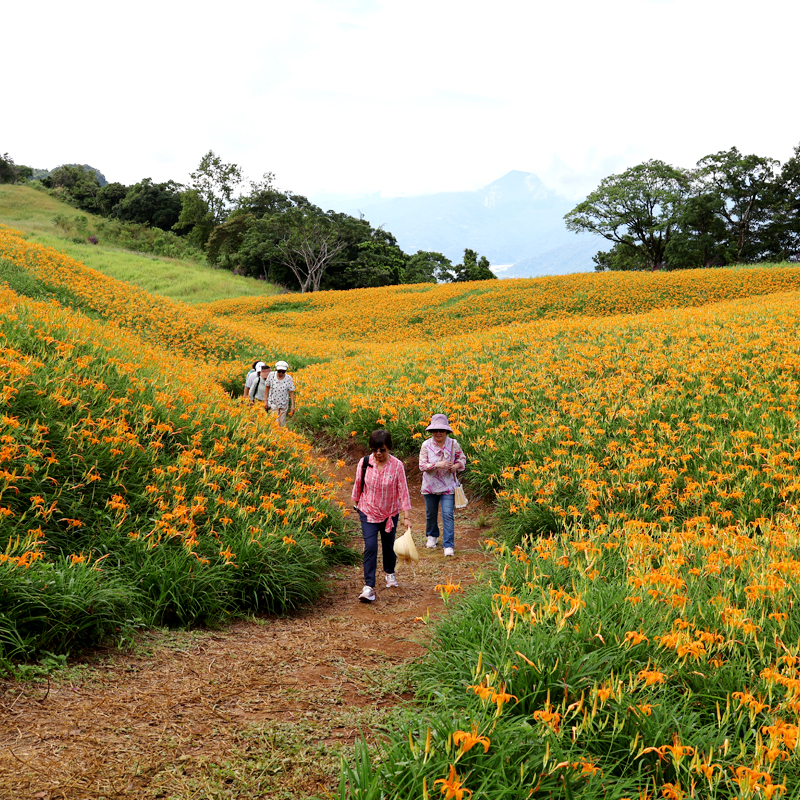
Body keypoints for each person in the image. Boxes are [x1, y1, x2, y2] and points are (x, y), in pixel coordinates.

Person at [351, 429, 412, 602]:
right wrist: (356, 503)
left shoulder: (397, 465)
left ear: (389, 448)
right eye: (374, 450)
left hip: (389, 513)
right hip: (368, 510)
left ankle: (390, 573)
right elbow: (358, 483)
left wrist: (406, 517)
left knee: (388, 546)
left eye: (382, 450)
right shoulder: (364, 462)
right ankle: (369, 587)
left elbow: (403, 491)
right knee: (370, 546)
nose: (378, 453)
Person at [419, 413, 466, 557]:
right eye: (435, 430)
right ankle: (432, 536)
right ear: (431, 432)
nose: (438, 433)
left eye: (441, 430)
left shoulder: (453, 444)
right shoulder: (426, 445)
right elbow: (422, 465)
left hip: (448, 485)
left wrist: (455, 466)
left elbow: (462, 459)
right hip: (430, 486)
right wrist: (437, 464)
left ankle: (448, 545)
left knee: (447, 514)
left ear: (446, 431)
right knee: (431, 514)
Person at [265, 360, 295, 426]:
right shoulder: (271, 375)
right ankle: (274, 435)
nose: (281, 373)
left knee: (282, 423)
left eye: (283, 371)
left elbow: (291, 391)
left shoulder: (289, 378)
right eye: (279, 371)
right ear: (276, 369)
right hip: (273, 403)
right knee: (275, 423)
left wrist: (292, 405)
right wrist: (265, 401)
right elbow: (267, 387)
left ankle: (281, 435)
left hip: (284, 404)